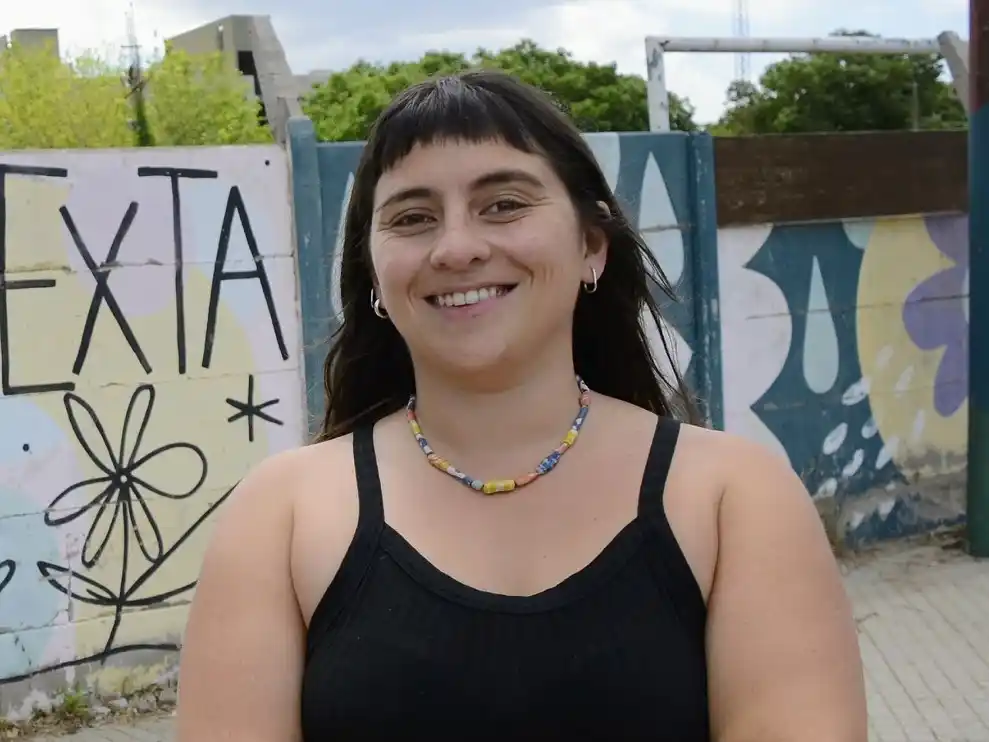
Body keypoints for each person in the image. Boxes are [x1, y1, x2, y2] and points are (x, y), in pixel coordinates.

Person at [176, 70, 867, 741]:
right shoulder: (282, 517)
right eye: (413, 218)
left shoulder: (732, 500)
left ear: (590, 245)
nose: (456, 248)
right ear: (374, 279)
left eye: (503, 204)